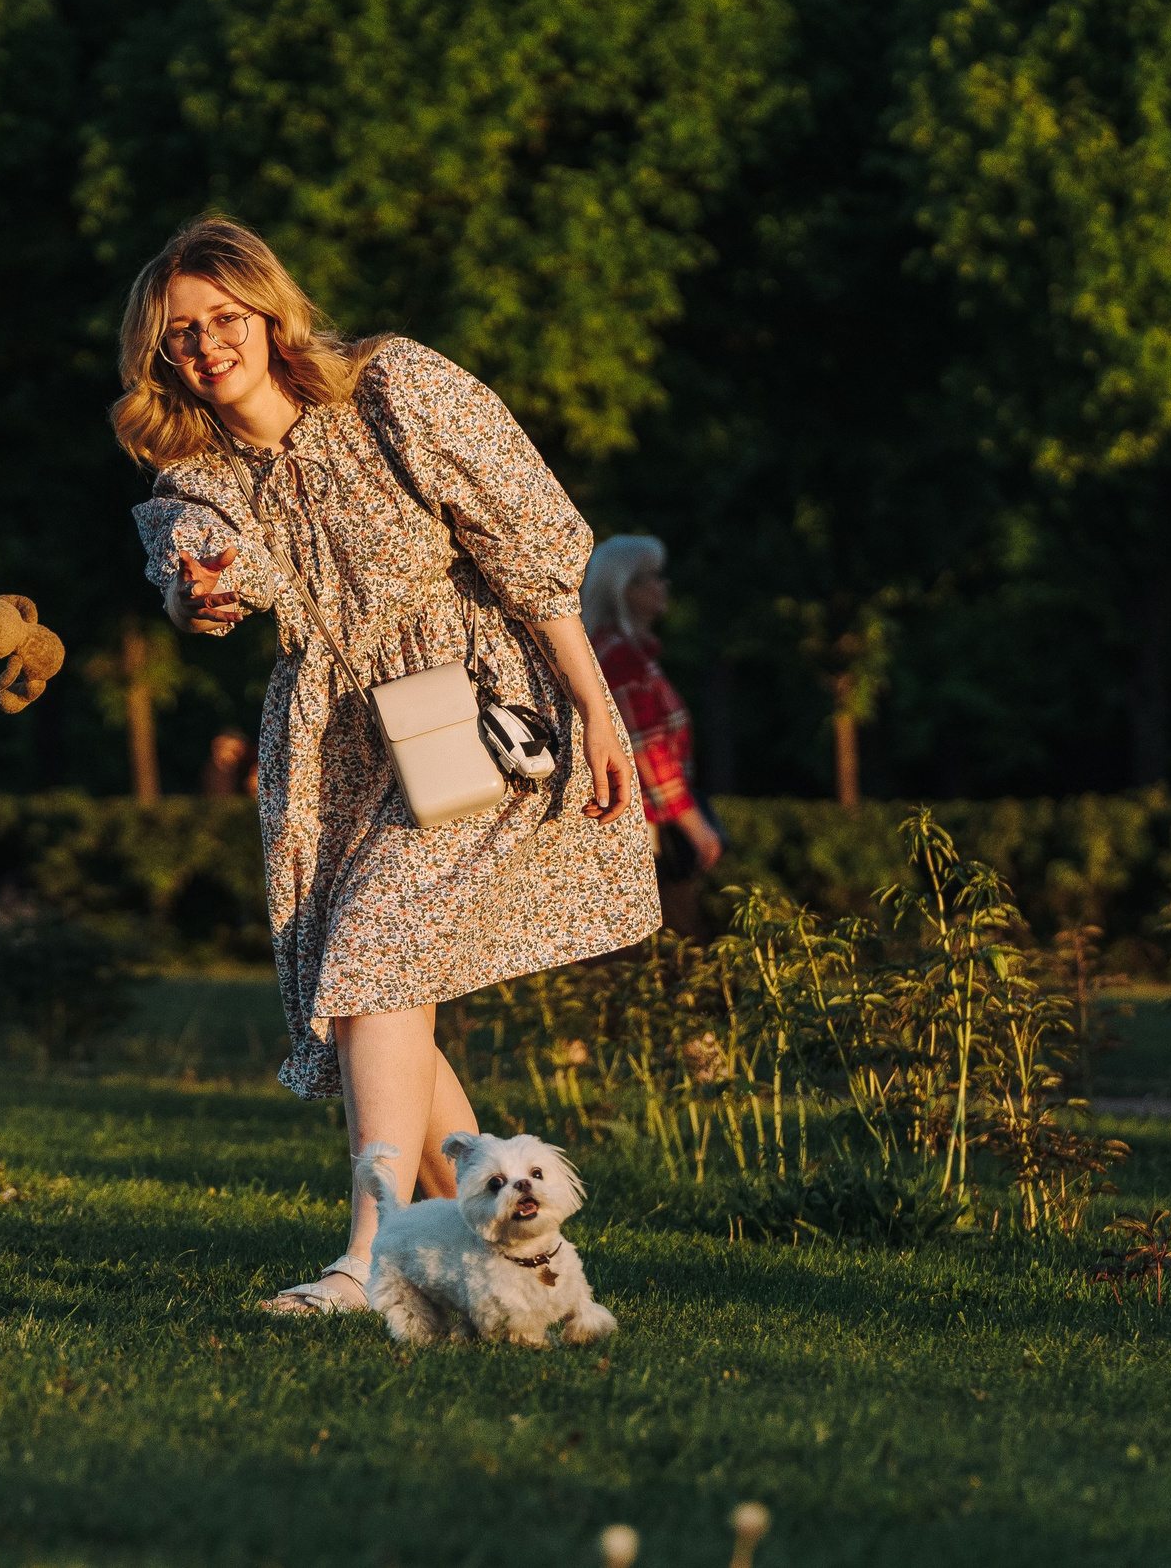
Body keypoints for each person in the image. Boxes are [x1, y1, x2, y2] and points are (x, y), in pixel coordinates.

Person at [117, 216, 660, 1314]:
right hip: (344, 742)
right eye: (181, 334)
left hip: (474, 708)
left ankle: (364, 1262)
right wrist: (197, 588)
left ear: (271, 314)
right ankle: (498, 1260)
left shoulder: (392, 387)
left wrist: (600, 713)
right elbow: (201, 563)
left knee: (370, 960)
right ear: (158, 353)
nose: (207, 346)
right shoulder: (198, 466)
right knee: (379, 985)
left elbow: (535, 549)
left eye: (225, 318)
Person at [582, 535, 723, 934]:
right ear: (624, 588)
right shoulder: (620, 657)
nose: (665, 585)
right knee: (674, 949)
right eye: (654, 576)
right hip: (644, 831)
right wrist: (695, 826)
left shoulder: (621, 650)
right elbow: (647, 748)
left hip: (635, 827)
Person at [202, 728, 256, 797]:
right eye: (233, 751)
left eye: (239, 754)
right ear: (217, 744)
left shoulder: (241, 774)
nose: (234, 758)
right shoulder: (208, 773)